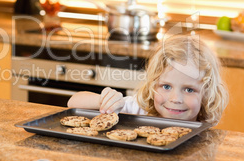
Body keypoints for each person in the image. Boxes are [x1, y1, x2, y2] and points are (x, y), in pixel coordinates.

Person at [68, 35, 229, 126]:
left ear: (206, 92)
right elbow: (73, 102)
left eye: (189, 89)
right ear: (152, 84)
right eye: (166, 86)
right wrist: (104, 100)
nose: (175, 99)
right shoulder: (138, 108)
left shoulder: (203, 130)